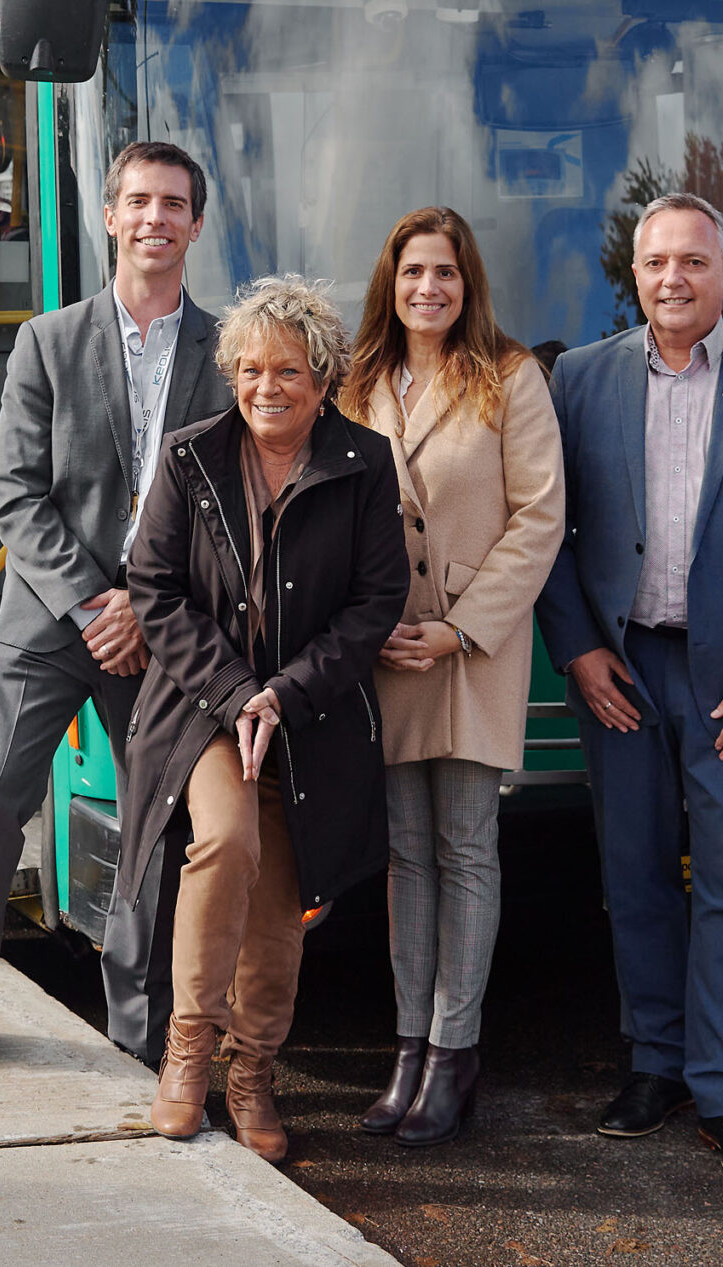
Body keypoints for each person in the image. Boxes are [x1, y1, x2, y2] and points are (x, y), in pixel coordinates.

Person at [0, 141, 234, 1074]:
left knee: (153, 821)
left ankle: (141, 1033)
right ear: (110, 214)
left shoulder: (229, 356)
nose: (154, 219)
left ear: (196, 223)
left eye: (173, 204)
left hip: (165, 631)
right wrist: (96, 600)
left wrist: (142, 606)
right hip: (47, 624)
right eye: (138, 200)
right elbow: (13, 492)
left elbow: (224, 509)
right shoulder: (47, 342)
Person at [534, 192, 723, 1182]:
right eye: (657, 262)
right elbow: (548, 533)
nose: (674, 279)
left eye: (693, 264)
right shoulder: (578, 381)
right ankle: (655, 1063)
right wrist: (578, 651)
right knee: (633, 880)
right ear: (634, 274)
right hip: (621, 670)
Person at [122, 275, 409, 1163]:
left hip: (309, 715)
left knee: (284, 888)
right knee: (230, 842)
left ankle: (254, 1071)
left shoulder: (364, 462)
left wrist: (284, 693)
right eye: (250, 369)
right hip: (201, 708)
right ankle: (188, 1052)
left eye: (287, 370)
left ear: (322, 379)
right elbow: (155, 591)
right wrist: (238, 691)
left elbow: (376, 601)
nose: (266, 386)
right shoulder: (189, 455)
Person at [340, 207, 563, 1146]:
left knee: (466, 843)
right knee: (405, 852)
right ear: (389, 283)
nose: (428, 287)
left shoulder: (511, 378)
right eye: (412, 271)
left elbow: (540, 517)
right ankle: (409, 1044)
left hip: (471, 649)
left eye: (446, 272)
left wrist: (460, 631)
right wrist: (372, 620)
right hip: (386, 648)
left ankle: (454, 1051)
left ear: (469, 284)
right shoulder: (355, 383)